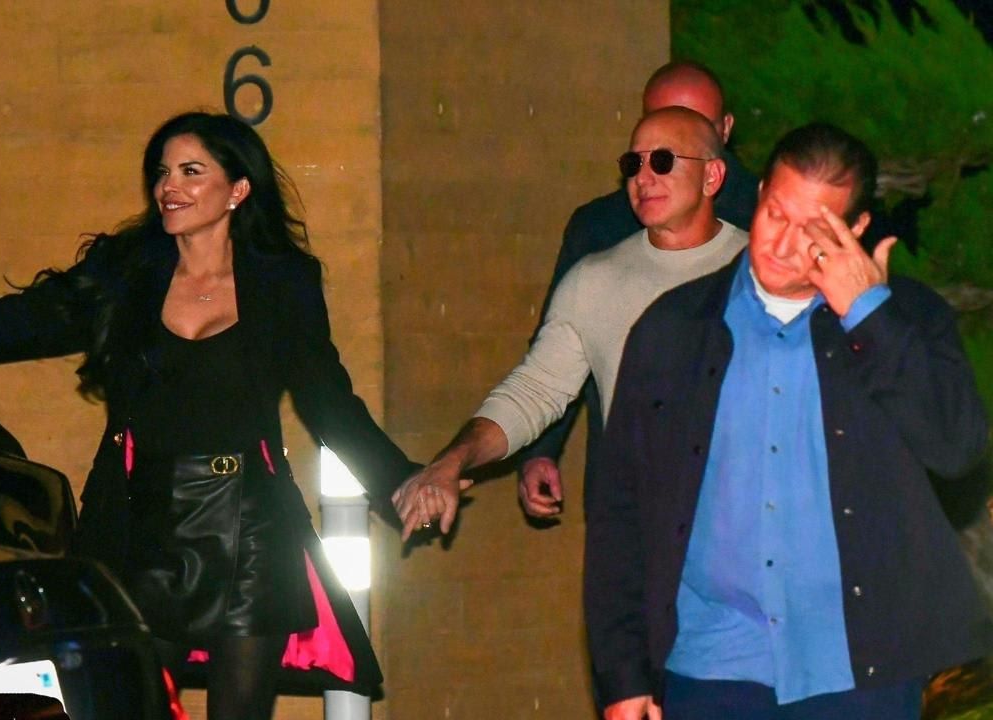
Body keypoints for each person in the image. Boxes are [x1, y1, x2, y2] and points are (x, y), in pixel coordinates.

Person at [0, 111, 416, 720]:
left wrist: (401, 481)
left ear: (238, 190)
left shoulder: (283, 283)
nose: (169, 186)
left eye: (191, 171)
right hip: (142, 518)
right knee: (136, 701)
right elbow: (14, 324)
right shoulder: (128, 271)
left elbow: (328, 401)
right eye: (163, 172)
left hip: (250, 524)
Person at [586, 122, 991, 720]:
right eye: (776, 214)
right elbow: (619, 509)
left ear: (855, 228)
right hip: (710, 666)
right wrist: (622, 675)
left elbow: (956, 448)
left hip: (859, 671)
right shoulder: (675, 328)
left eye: (812, 229)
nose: (781, 243)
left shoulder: (908, 319)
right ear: (758, 196)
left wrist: (870, 317)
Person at [391, 105, 748, 539]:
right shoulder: (594, 280)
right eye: (633, 163)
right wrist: (451, 461)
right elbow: (534, 392)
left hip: (746, 531)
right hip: (641, 533)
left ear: (712, 176)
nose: (643, 177)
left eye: (662, 161)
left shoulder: (763, 273)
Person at [518, 60, 758, 521]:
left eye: (694, 125)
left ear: (724, 131)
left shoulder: (768, 218)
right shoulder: (602, 226)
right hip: (630, 489)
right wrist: (540, 451)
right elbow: (556, 353)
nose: (674, 137)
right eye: (660, 122)